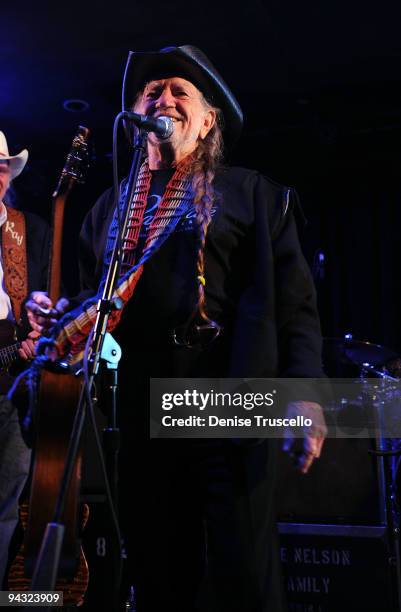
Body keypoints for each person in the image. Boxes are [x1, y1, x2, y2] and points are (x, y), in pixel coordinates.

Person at [27, 46, 327, 611]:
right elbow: (98, 308)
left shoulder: (252, 195)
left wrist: (305, 393)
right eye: (151, 91)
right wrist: (62, 316)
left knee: (244, 575)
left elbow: (296, 307)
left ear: (207, 119)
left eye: (179, 91)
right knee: (162, 575)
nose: (162, 98)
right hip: (145, 412)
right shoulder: (109, 209)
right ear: (136, 113)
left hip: (232, 403)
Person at [0, 131, 50, 586]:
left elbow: (48, 295)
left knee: (6, 499)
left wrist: (39, 307)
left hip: (11, 377)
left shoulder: (28, 229)